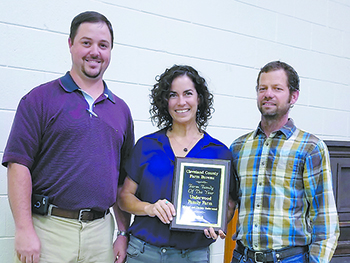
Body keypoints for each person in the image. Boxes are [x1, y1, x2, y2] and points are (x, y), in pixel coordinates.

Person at [2, 11, 134, 263]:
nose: (95, 51)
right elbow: (19, 166)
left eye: (103, 45)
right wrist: (23, 229)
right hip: (48, 231)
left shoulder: (121, 111)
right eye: (86, 43)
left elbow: (121, 180)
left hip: (100, 234)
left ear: (110, 51)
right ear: (71, 44)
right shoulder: (39, 100)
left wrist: (123, 231)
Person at [118, 65, 238, 263]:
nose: (181, 102)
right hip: (143, 254)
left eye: (188, 93)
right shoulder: (147, 145)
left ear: (199, 98)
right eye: (173, 95)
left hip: (193, 256)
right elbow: (124, 197)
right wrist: (149, 208)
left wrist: (217, 222)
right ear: (165, 101)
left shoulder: (219, 152)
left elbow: (229, 203)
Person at [230, 61, 339, 263]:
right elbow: (229, 202)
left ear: (293, 96)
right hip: (243, 257)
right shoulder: (239, 147)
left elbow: (324, 218)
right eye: (262, 88)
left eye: (277, 88)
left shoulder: (310, 147)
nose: (268, 94)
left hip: (290, 258)